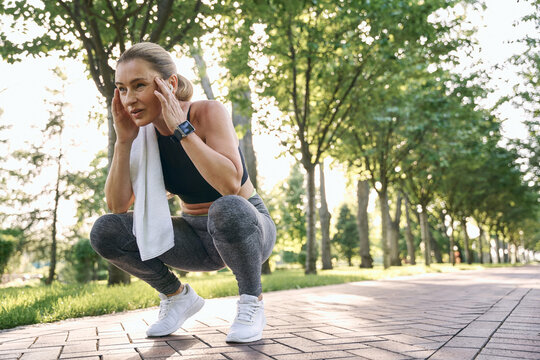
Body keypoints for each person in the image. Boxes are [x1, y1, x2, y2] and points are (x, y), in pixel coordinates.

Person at [90, 42, 276, 343]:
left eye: (139, 86)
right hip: (192, 240)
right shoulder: (141, 134)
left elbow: (230, 185)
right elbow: (118, 206)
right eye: (122, 89)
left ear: (170, 83)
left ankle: (252, 302)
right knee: (105, 230)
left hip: (245, 229)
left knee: (227, 207)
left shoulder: (207, 112)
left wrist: (182, 128)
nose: (129, 99)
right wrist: (123, 142)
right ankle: (177, 297)